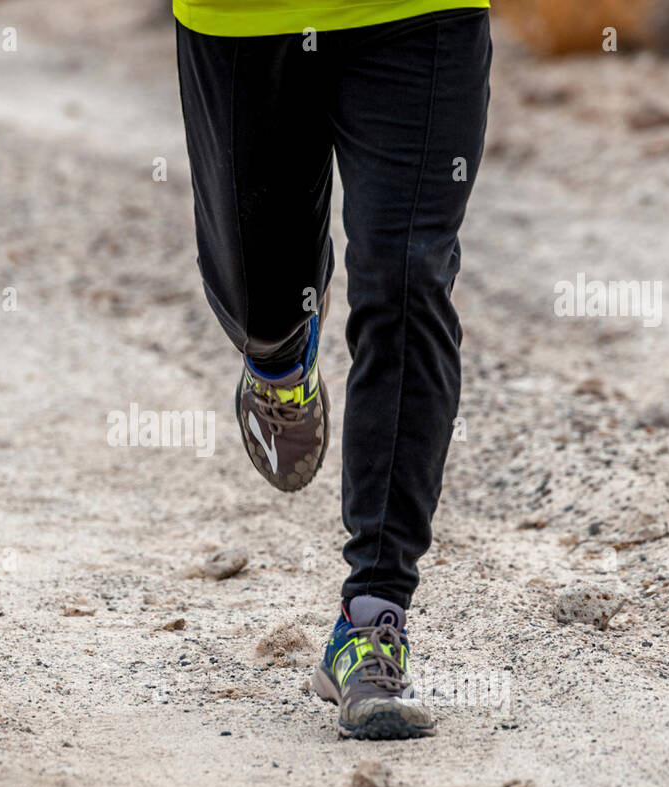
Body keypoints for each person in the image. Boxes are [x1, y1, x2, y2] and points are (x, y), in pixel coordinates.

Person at [175, 0, 492, 738]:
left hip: (419, 12)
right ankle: (281, 364)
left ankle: (372, 619)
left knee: (408, 280)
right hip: (245, 21)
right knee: (264, 306)